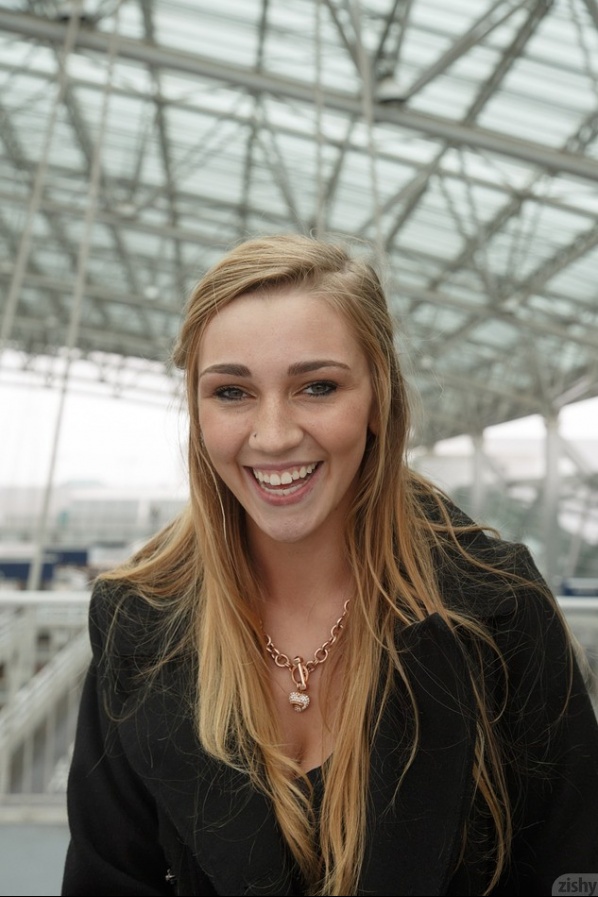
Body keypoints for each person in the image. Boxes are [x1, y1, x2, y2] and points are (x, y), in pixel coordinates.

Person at [61, 233, 598, 897]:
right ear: (197, 412)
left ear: (379, 398)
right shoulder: (138, 623)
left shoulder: (497, 608)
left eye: (318, 386)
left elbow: (568, 863)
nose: (275, 434)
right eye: (232, 392)